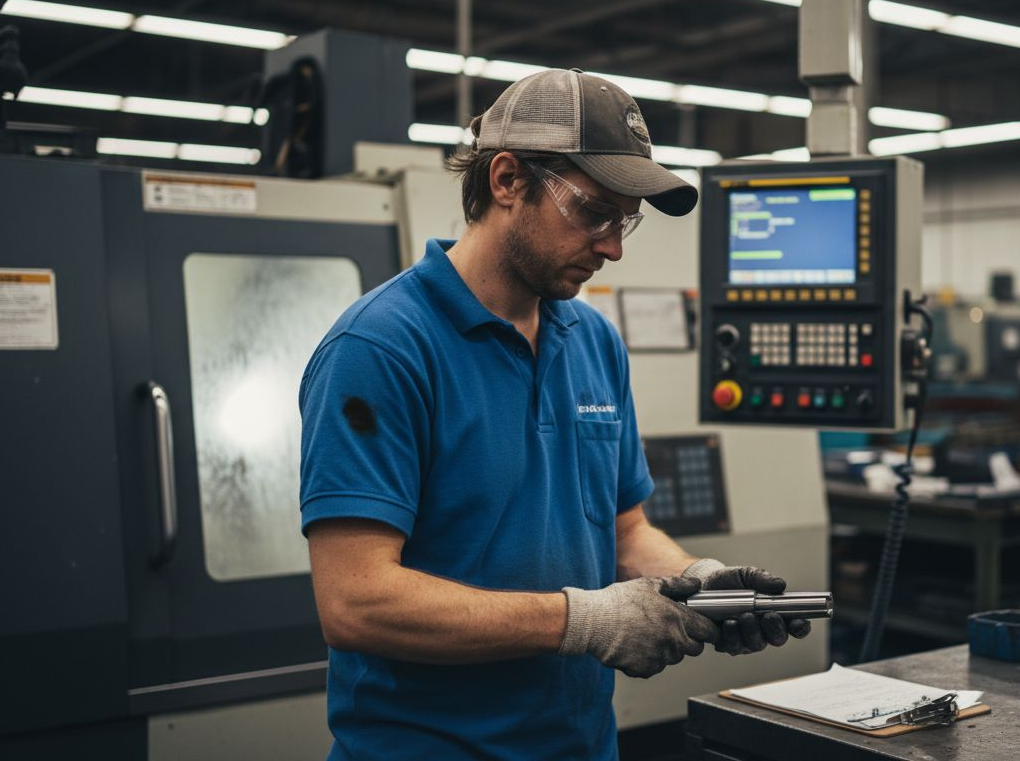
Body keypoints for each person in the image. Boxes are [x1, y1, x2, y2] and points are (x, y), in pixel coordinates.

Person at [299, 68, 810, 761]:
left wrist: (699, 582)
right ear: (507, 179)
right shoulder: (380, 349)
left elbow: (626, 530)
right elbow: (356, 602)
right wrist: (584, 620)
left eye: (624, 220)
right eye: (594, 212)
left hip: (579, 745)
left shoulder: (593, 340)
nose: (613, 246)